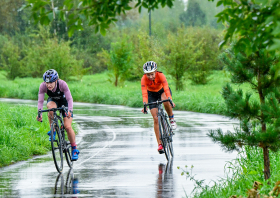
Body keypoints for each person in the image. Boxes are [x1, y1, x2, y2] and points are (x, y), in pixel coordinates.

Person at [36, 69, 79, 160]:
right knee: (50, 108)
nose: (49, 85)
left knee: (67, 126)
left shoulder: (62, 84)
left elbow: (69, 99)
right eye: (47, 83)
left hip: (65, 103)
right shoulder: (43, 86)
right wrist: (39, 113)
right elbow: (40, 101)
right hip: (53, 101)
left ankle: (74, 149)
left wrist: (70, 111)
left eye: (51, 82)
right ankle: (53, 129)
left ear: (56, 80)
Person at [141, 61, 177, 154]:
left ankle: (171, 118)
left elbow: (166, 87)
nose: (150, 77)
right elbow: (144, 93)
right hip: (151, 94)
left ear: (155, 71)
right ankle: (160, 144)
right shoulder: (143, 79)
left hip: (162, 91)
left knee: (165, 100)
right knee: (156, 119)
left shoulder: (160, 75)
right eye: (148, 75)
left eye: (152, 74)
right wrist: (145, 105)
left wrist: (170, 100)